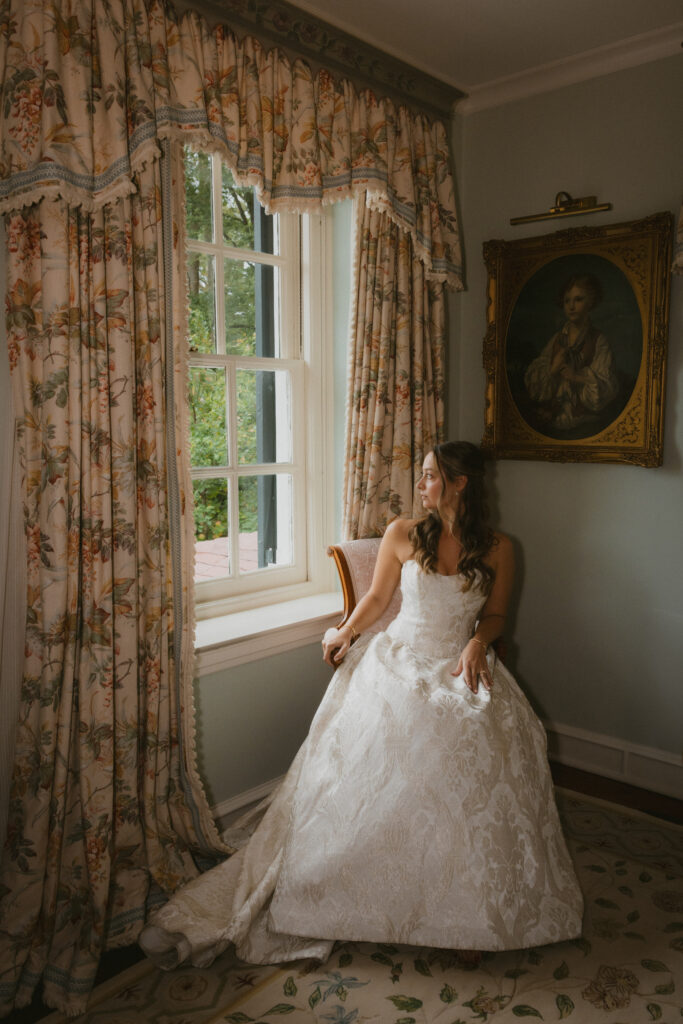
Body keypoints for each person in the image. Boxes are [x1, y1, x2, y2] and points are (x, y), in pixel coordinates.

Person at [139, 442, 583, 970]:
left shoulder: (500, 548)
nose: (420, 485)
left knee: (478, 744)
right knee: (389, 752)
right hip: (398, 660)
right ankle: (355, 890)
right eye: (421, 476)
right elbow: (376, 600)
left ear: (460, 483)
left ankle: (471, 910)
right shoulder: (402, 532)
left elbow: (496, 615)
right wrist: (345, 631)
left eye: (430, 476)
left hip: (460, 661)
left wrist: (477, 644)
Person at [524, 273, 619, 432]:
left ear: (590, 302)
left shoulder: (598, 340)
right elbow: (535, 382)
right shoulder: (557, 339)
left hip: (585, 420)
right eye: (567, 300)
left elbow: (607, 386)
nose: (571, 306)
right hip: (551, 415)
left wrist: (577, 377)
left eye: (578, 299)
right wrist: (553, 369)